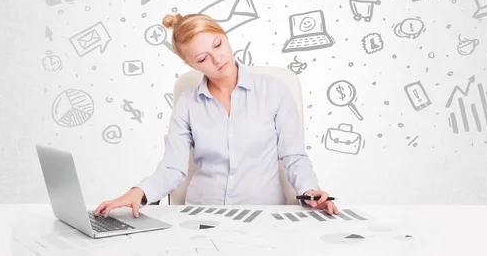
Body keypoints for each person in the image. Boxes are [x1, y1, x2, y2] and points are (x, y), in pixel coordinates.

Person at [94, 13, 338, 218]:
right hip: (201, 216)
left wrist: (309, 191)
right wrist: (139, 192)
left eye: (218, 44)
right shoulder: (187, 102)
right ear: (192, 65)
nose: (217, 58)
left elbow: (294, 157)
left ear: (225, 36)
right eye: (202, 58)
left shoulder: (275, 91)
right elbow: (172, 167)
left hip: (264, 217)